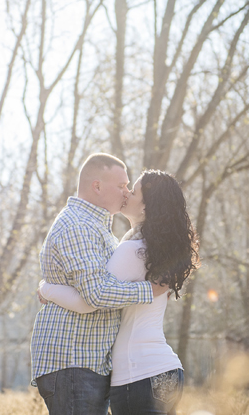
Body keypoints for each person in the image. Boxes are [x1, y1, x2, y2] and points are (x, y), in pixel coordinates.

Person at [39, 169, 200, 415]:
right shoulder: (155, 252)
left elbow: (90, 299)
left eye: (133, 191)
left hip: (137, 373)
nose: (127, 193)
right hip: (168, 370)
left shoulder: (132, 251)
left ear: (146, 207)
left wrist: (47, 288)